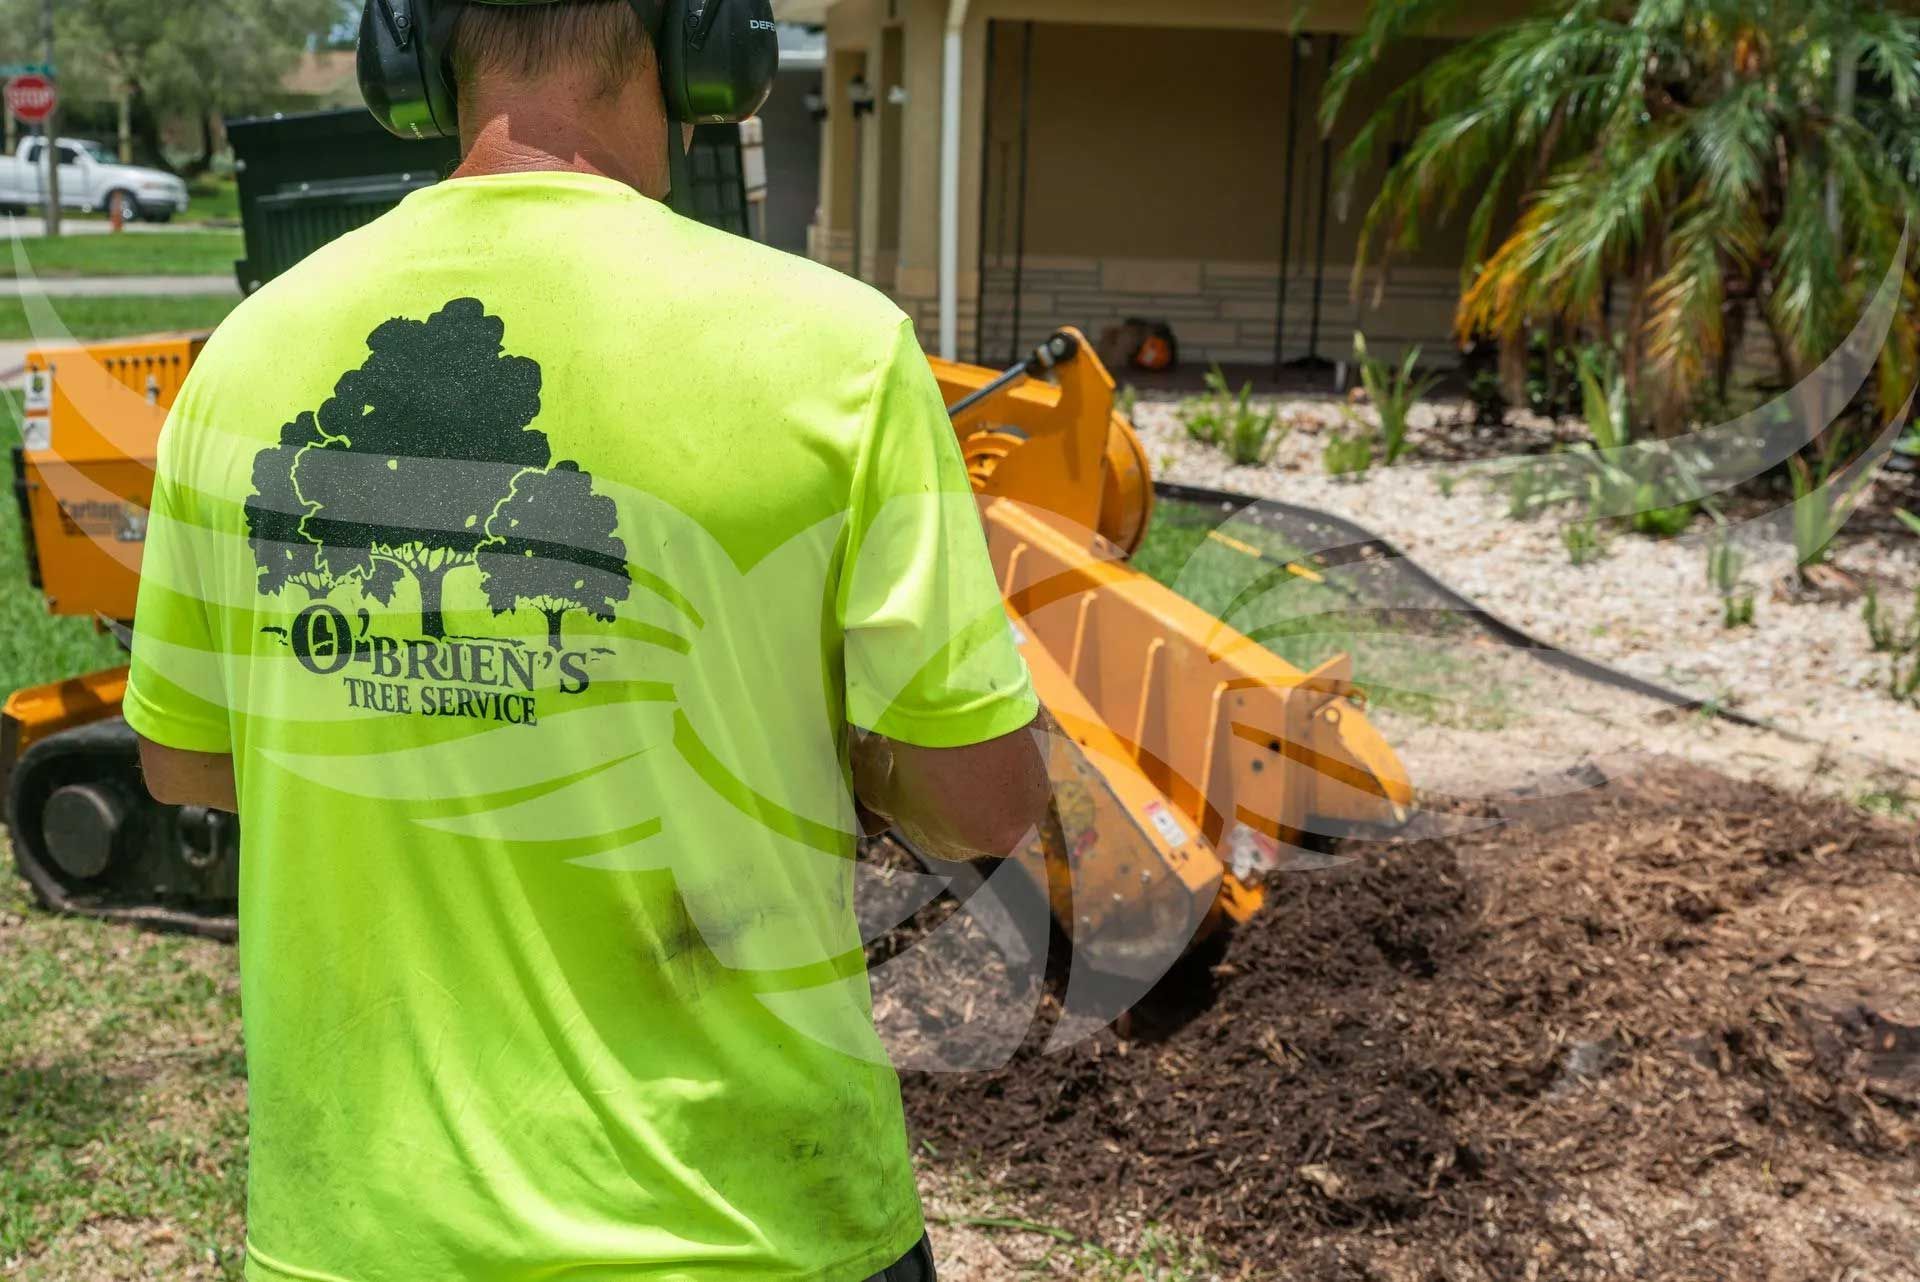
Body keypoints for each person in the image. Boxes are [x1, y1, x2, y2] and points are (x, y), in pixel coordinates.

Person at [125, 2, 1051, 1279]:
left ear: (407, 52)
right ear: (704, 45)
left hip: (369, 1236)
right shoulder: (840, 353)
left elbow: (187, 764)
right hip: (759, 1232)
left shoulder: (242, 363)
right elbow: (985, 803)